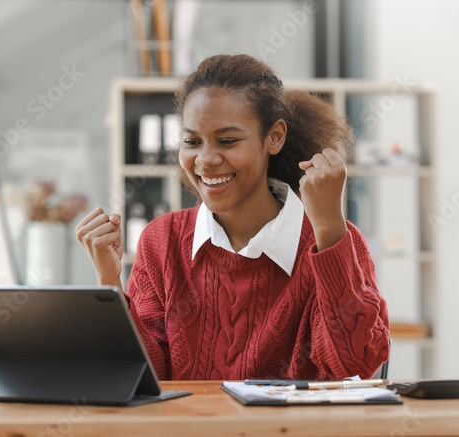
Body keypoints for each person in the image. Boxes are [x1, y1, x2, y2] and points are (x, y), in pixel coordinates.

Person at [74, 54, 390, 381]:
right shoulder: (162, 240)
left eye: (227, 141)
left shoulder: (333, 239)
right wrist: (110, 287)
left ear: (274, 137)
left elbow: (353, 364)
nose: (206, 159)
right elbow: (145, 378)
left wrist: (329, 232)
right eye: (192, 141)